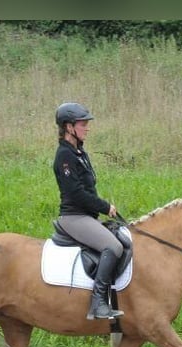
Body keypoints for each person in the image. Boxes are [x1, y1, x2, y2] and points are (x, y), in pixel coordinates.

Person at [53, 102, 125, 321]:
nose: (87, 127)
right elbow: (75, 193)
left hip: (86, 216)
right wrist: (104, 207)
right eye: (83, 124)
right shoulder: (64, 156)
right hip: (74, 217)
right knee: (113, 246)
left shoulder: (79, 152)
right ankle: (98, 303)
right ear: (68, 127)